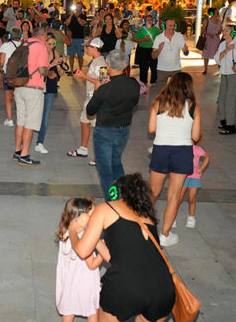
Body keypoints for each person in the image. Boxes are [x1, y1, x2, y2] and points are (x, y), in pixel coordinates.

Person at [69, 173, 175, 322]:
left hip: (125, 287)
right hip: (163, 290)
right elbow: (116, 259)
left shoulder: (106, 208)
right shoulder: (148, 218)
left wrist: (72, 231)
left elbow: (82, 251)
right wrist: (96, 240)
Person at [148, 72, 202, 246]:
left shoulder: (158, 103)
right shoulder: (193, 107)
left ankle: (142, 224)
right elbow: (195, 137)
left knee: (153, 192)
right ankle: (165, 234)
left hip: (161, 150)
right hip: (182, 152)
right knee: (174, 195)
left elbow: (151, 129)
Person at [85, 50, 141, 198]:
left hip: (105, 131)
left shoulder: (105, 88)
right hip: (123, 129)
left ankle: (112, 200)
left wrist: (97, 89)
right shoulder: (133, 84)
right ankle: (123, 195)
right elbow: (134, 102)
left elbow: (90, 110)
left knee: (105, 170)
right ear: (125, 65)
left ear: (107, 65)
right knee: (116, 162)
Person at [55, 198, 104, 322]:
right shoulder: (84, 238)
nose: (95, 218)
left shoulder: (66, 233)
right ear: (80, 217)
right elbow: (92, 264)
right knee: (92, 311)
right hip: (85, 283)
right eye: (92, 214)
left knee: (68, 311)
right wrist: (103, 251)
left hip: (69, 281)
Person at [12, 26, 49, 166]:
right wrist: (49, 71)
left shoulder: (24, 44)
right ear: (42, 35)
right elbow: (42, 70)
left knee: (20, 121)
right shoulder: (40, 47)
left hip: (19, 86)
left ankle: (17, 151)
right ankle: (25, 154)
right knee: (30, 123)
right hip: (33, 89)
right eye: (46, 36)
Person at [67, 37, 106, 165]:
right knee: (84, 121)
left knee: (97, 128)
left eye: (88, 47)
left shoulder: (101, 63)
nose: (86, 49)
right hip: (90, 97)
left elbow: (103, 82)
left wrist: (83, 76)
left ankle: (99, 156)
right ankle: (83, 149)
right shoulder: (94, 61)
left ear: (95, 48)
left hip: (96, 98)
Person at [35, 31, 65, 155]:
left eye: (53, 44)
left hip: (50, 86)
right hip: (37, 86)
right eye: (49, 44)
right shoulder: (39, 53)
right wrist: (52, 63)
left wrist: (61, 64)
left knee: (45, 116)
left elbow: (60, 73)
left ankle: (40, 142)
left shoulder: (55, 53)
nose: (51, 47)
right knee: (35, 114)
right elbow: (38, 70)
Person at [177, 144, 210, 230]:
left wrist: (201, 168)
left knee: (191, 198)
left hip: (195, 176)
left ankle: (191, 217)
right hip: (183, 175)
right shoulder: (181, 147)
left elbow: (207, 157)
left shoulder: (197, 149)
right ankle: (172, 217)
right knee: (179, 198)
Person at [151, 18, 189, 88]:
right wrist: (159, 49)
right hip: (162, 69)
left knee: (177, 90)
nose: (172, 28)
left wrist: (185, 51)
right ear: (165, 26)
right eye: (170, 25)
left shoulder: (179, 37)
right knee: (161, 90)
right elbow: (153, 56)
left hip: (176, 69)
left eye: (174, 25)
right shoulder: (159, 38)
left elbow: (186, 53)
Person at [0, 27, 21, 127]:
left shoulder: (6, 45)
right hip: (20, 75)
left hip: (8, 74)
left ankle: (10, 119)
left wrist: (0, 68)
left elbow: (2, 61)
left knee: (8, 98)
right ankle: (21, 119)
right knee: (19, 98)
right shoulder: (24, 46)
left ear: (10, 36)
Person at [133, 15, 160, 86]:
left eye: (150, 19)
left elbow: (160, 39)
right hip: (143, 50)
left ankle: (153, 80)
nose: (149, 21)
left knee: (153, 66)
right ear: (145, 21)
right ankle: (143, 81)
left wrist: (156, 39)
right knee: (143, 66)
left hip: (153, 49)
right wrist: (144, 39)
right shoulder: (141, 30)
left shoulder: (156, 29)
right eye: (147, 20)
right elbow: (136, 40)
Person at [64, 3, 87, 72]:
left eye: (79, 6)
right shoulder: (70, 15)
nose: (77, 8)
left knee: (80, 56)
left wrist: (77, 16)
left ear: (81, 7)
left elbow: (82, 23)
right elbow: (66, 23)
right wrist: (71, 15)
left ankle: (80, 70)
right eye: (76, 6)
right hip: (71, 38)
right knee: (71, 55)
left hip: (80, 38)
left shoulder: (83, 15)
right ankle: (71, 70)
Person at [199, 7, 222, 75]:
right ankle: (205, 69)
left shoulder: (219, 21)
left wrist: (217, 34)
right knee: (206, 55)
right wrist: (209, 34)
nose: (218, 14)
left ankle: (220, 69)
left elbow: (220, 30)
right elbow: (203, 30)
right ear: (212, 13)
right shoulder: (207, 21)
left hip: (216, 40)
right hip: (208, 40)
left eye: (218, 13)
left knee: (218, 54)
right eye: (216, 13)